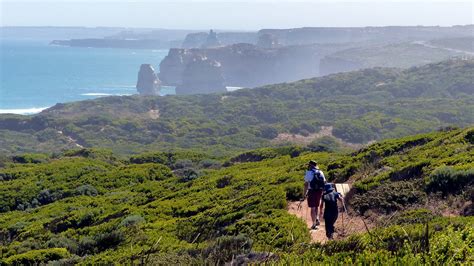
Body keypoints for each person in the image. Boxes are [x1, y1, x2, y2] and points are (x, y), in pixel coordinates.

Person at [303, 160, 326, 230]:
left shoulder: (309, 173)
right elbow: (324, 181)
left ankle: (314, 224)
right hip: (319, 191)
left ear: (310, 165)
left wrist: (304, 194)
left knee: (312, 208)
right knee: (316, 206)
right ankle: (317, 219)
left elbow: (306, 184)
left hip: (311, 191)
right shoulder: (320, 172)